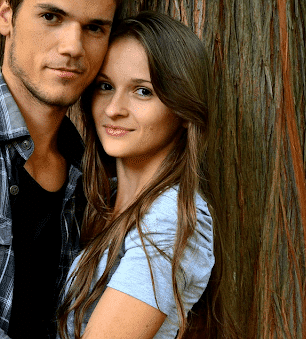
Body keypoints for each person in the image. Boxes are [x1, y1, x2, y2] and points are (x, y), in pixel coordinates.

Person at [57, 11, 215, 339]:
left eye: (142, 91)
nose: (114, 108)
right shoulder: (99, 201)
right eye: (105, 86)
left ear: (184, 111)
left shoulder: (171, 217)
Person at [0, 0, 124, 337]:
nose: (73, 47)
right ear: (6, 16)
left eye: (94, 27)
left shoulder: (96, 177)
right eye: (51, 17)